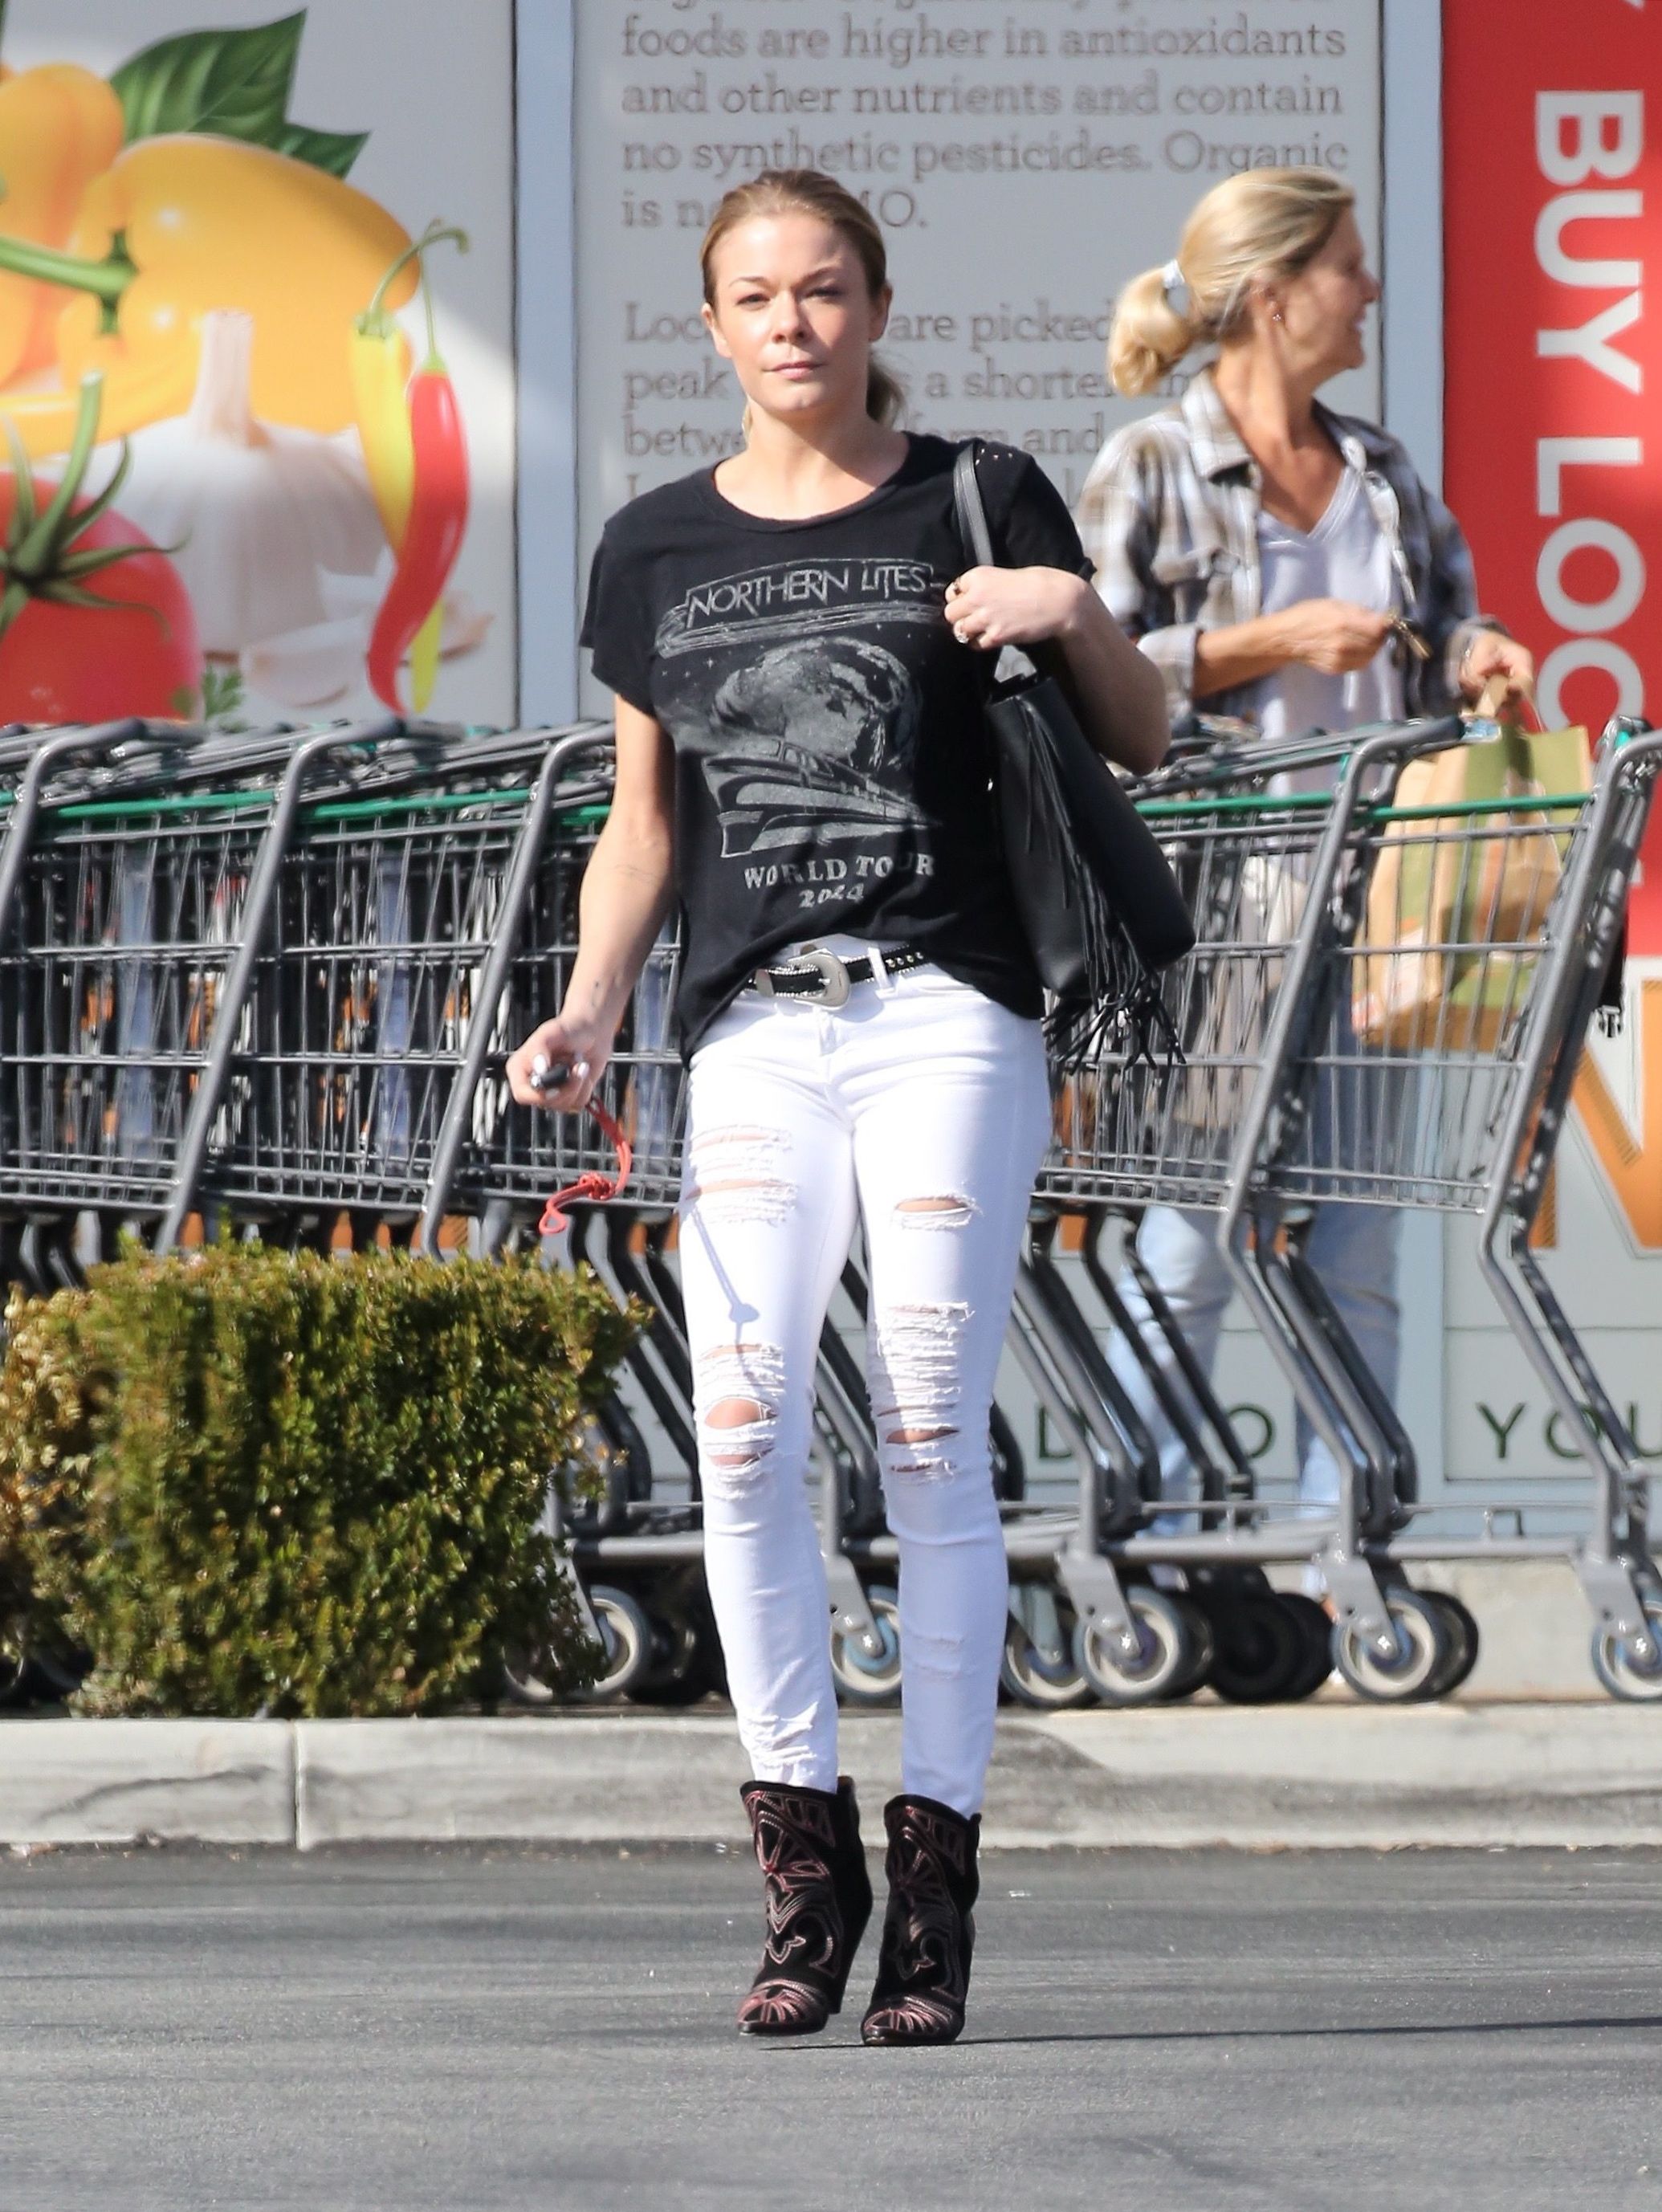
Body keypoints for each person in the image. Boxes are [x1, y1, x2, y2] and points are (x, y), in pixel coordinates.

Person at [507, 169, 1167, 2044]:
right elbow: (646, 825)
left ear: (875, 307)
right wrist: (589, 1006)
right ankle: (807, 1874)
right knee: (738, 1433)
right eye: (757, 295)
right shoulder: (653, 548)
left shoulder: (976, 492)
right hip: (753, 1032)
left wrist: (1069, 608)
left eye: (823, 289)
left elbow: (1139, 736)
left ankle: (935, 1884)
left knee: (929, 1426)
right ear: (712, 324)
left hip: (944, 1007)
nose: (792, 323)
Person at [1075, 165, 1534, 1536]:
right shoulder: (1150, 465)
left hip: (1378, 905)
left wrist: (1475, 655)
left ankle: (1349, 1545)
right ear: (1274, 297)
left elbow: (1435, 636)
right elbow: (1083, 682)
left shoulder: (1378, 472)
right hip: (1218, 913)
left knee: (1358, 1242)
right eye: (1346, 266)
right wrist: (1266, 642)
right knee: (1187, 1245)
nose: (1368, 289)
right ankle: (1150, 1546)